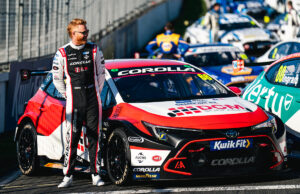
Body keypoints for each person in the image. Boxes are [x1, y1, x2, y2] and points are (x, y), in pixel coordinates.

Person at [52, 18, 106, 188]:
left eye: (86, 31)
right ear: (73, 33)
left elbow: (101, 75)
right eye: (83, 32)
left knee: (94, 136)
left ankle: (95, 174)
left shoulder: (95, 49)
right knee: (72, 138)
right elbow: (56, 79)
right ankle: (68, 175)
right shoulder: (62, 53)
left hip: (92, 98)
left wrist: (96, 92)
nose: (86, 34)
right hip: (73, 100)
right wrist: (67, 95)